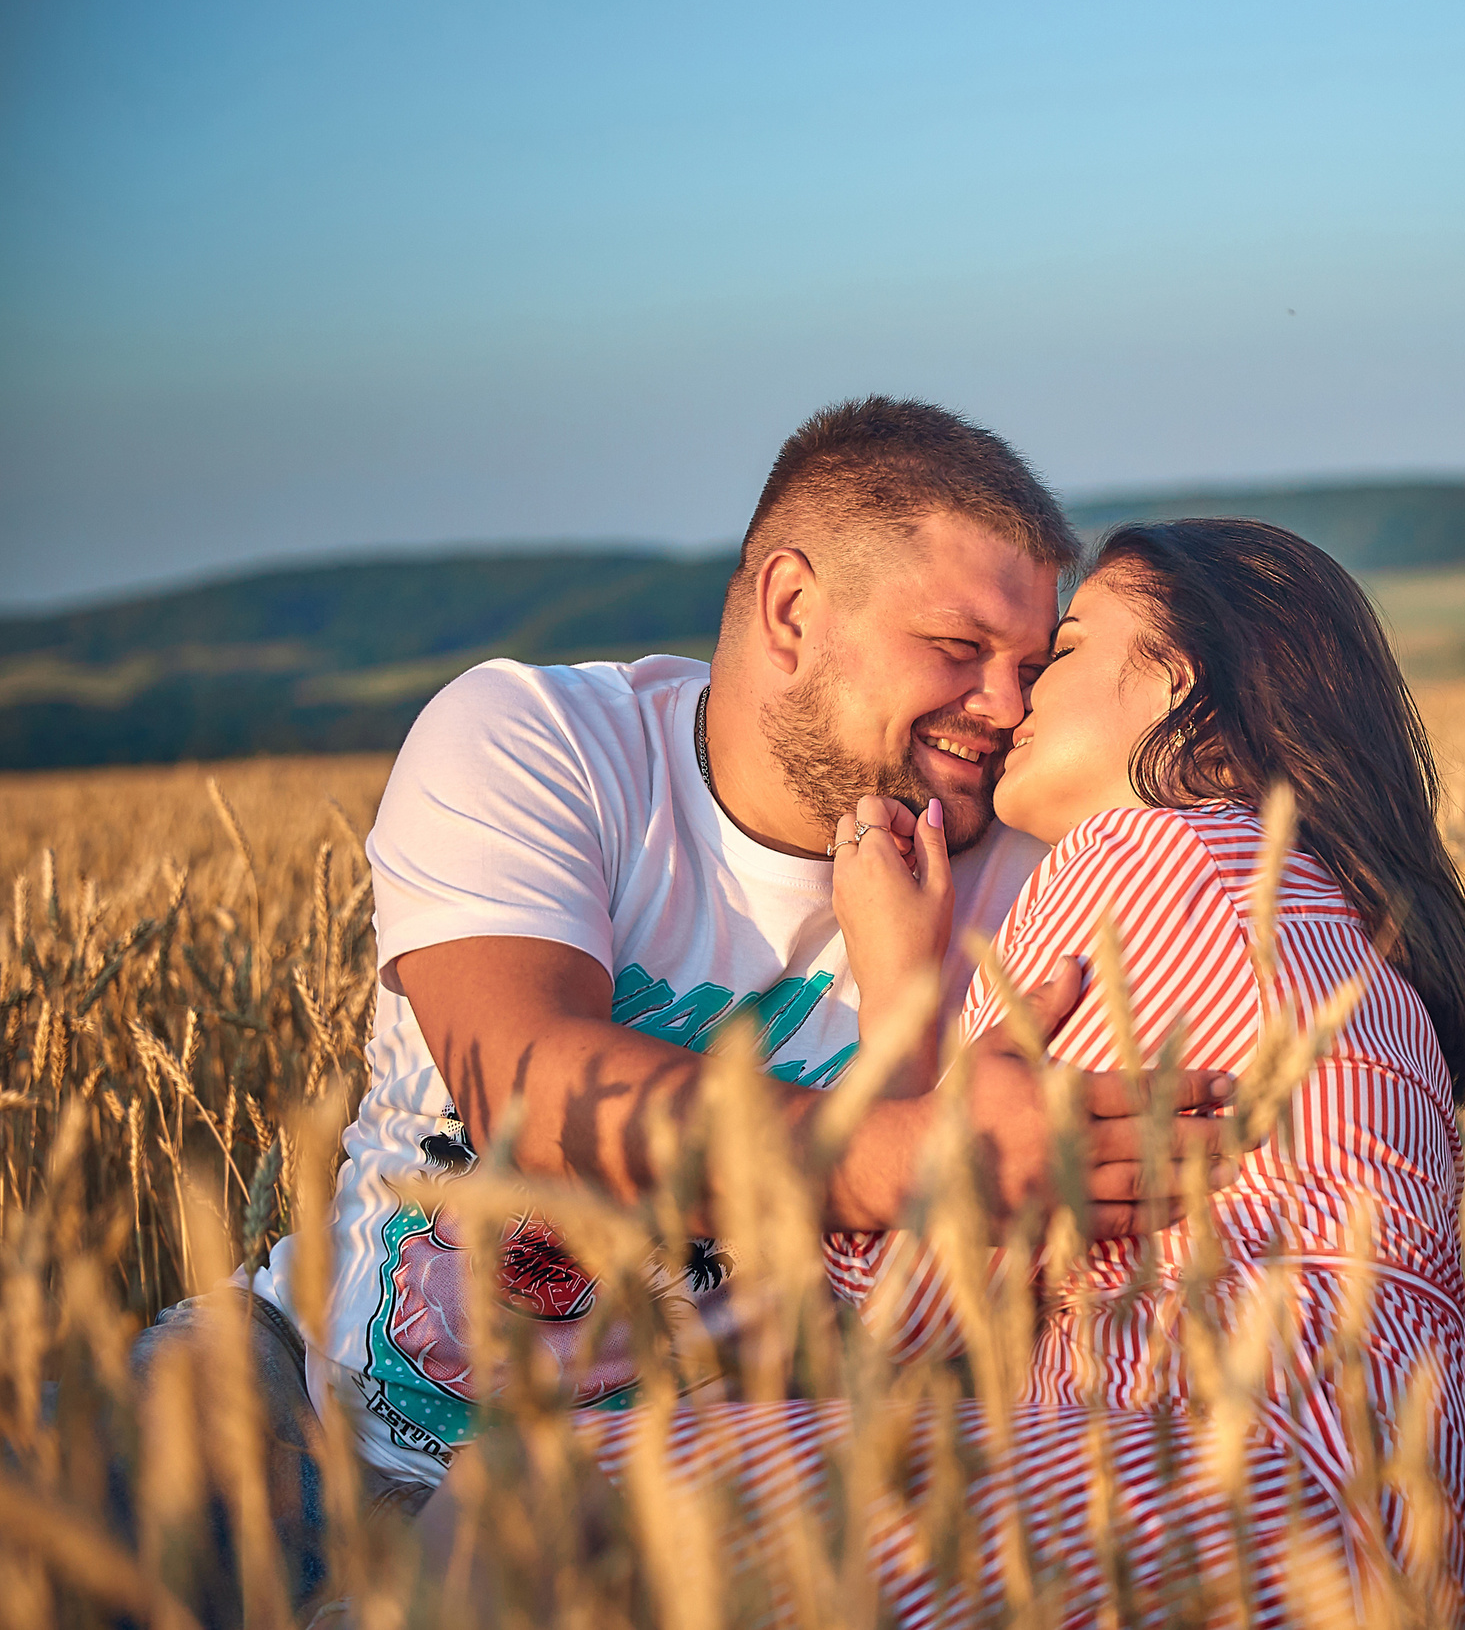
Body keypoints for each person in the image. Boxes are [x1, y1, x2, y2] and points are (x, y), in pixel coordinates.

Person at [198, 398, 1251, 1531]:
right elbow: (533, 1088)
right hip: (276, 1401)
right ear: (792, 610)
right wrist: (913, 1157)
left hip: (661, 1510)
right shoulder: (535, 738)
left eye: (1032, 665)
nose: (1004, 707)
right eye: (957, 649)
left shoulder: (1042, 875)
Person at [575, 519, 1465, 1626]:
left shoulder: (1136, 856)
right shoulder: (1344, 943)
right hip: (1386, 1535)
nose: (1011, 704)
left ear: (1177, 685)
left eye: (1060, 654)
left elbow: (904, 1318)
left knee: (538, 1496)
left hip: (1205, 1496)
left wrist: (896, 984)